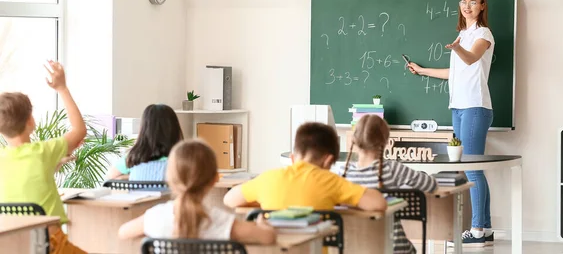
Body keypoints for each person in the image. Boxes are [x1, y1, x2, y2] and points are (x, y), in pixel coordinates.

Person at [408, 0, 495, 247]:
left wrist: (457, 49)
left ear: (482, 6)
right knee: (472, 168)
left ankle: (477, 229)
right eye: (463, 2)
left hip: (475, 107)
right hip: (458, 107)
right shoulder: (462, 34)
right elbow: (454, 72)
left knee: (471, 169)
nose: (467, 6)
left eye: (473, 2)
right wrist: (422, 71)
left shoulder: (483, 34)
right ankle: (485, 227)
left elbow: (471, 58)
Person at [0, 60, 87, 253]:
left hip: (13, 246)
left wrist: (53, 165)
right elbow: (79, 130)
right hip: (52, 245)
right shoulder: (43, 151)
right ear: (31, 120)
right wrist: (62, 88)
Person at [118, 139, 276, 244]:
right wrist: (263, 224)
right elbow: (268, 237)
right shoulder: (221, 221)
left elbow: (123, 232)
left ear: (171, 178)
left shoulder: (155, 217)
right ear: (215, 179)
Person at [223, 122, 386, 212]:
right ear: (328, 161)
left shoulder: (267, 179)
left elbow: (229, 200)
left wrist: (264, 202)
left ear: (293, 158)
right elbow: (378, 204)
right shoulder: (330, 182)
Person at [341, 114, 437, 254]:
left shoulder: (340, 173)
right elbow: (430, 185)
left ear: (354, 140)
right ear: (385, 141)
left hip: (351, 247)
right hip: (393, 248)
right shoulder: (392, 169)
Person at [106, 104, 183, 181]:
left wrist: (131, 177)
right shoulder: (180, 159)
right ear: (174, 129)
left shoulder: (132, 157)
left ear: (144, 129)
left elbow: (111, 176)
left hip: (137, 192)